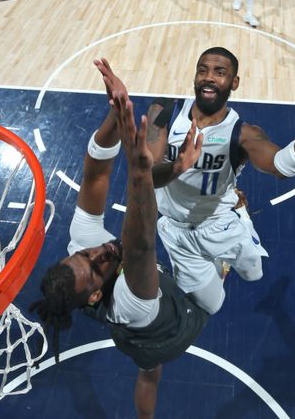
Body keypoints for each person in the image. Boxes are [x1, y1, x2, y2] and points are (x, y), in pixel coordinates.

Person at [30, 59, 209, 419]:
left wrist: (115, 112)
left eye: (85, 253)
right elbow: (139, 235)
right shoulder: (131, 300)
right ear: (96, 293)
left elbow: (95, 173)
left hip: (132, 339)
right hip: (172, 329)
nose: (99, 251)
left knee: (147, 373)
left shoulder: (84, 248)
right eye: (96, 265)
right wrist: (159, 169)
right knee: (209, 277)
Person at [145, 47, 295, 315]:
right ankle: (214, 262)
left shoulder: (244, 134)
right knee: (211, 306)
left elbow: (284, 166)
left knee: (253, 273)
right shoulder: (164, 111)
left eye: (220, 72)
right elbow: (147, 175)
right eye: (203, 70)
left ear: (234, 83)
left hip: (218, 222)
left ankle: (241, 216)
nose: (209, 77)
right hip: (175, 229)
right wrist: (180, 165)